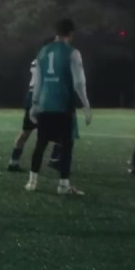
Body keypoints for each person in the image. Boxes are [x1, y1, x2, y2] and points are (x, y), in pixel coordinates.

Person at [25, 19, 91, 195]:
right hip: (63, 103)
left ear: (56, 32)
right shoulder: (73, 53)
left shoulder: (43, 51)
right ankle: (63, 185)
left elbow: (38, 81)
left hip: (45, 103)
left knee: (41, 143)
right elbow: (79, 82)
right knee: (67, 144)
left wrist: (34, 104)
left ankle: (32, 181)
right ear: (71, 33)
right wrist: (86, 105)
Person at [7, 51, 62, 172]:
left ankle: (13, 161)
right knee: (62, 130)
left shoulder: (36, 61)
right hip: (44, 97)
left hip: (31, 96)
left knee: (26, 131)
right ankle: (54, 160)